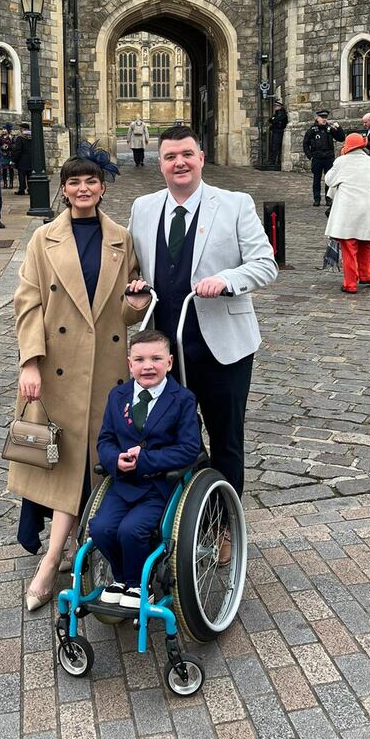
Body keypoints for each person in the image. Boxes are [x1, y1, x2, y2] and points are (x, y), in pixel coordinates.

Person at [8, 154, 151, 611]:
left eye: (91, 181)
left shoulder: (121, 239)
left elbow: (130, 313)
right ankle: (52, 559)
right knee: (60, 464)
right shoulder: (42, 238)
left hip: (107, 370)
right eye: (75, 183)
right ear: (64, 190)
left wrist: (137, 300)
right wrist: (30, 362)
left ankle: (83, 548)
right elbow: (28, 303)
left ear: (102, 188)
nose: (84, 189)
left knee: (96, 464)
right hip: (56, 370)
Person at [127, 126, 278, 518]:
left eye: (187, 154)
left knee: (226, 440)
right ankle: (182, 518)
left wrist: (227, 280)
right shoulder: (143, 208)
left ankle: (226, 524)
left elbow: (265, 264)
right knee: (169, 435)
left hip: (222, 347)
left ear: (201, 158)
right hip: (165, 351)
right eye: (171, 156)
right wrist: (136, 289)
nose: (180, 163)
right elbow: (133, 267)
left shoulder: (235, 203)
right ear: (159, 163)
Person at [89, 329, 201, 608]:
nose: (148, 366)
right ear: (129, 364)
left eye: (156, 358)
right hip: (124, 483)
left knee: (132, 530)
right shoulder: (118, 396)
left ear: (170, 362)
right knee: (101, 528)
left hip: (160, 485)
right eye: (139, 359)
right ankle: (122, 578)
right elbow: (105, 439)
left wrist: (147, 458)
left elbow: (189, 449)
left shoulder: (182, 399)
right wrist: (114, 459)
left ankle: (140, 584)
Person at [324, 133, 370, 294]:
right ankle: (366, 275)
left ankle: (350, 283)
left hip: (348, 208)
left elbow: (329, 179)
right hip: (367, 207)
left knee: (349, 247)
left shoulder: (341, 162)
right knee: (366, 243)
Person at [302, 110, 345, 206]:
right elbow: (305, 144)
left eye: (325, 117)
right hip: (317, 158)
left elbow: (341, 138)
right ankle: (316, 198)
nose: (324, 119)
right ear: (317, 118)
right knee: (316, 179)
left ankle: (328, 198)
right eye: (322, 117)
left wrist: (339, 128)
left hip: (328, 158)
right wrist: (310, 156)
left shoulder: (329, 129)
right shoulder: (312, 130)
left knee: (329, 179)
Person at [12, 124, 33, 195]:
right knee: (30, 175)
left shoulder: (20, 138)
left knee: (21, 175)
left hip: (22, 160)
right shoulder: (32, 136)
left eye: (20, 128)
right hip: (31, 159)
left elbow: (18, 150)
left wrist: (14, 159)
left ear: (22, 129)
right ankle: (30, 189)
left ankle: (22, 189)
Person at [268, 101, 289, 168]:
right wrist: (273, 119)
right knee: (273, 146)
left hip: (279, 131)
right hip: (275, 131)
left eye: (277, 106)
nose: (275, 107)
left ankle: (275, 162)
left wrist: (273, 120)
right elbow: (270, 119)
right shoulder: (277, 114)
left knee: (276, 147)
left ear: (280, 106)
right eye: (275, 106)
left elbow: (274, 120)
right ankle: (273, 161)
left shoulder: (282, 114)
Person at [0, 123, 16, 189]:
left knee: (11, 169)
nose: (3, 130)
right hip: (3, 155)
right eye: (2, 129)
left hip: (10, 155)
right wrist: (1, 147)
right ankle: (5, 183)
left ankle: (11, 183)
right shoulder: (0, 138)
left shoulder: (12, 137)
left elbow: (15, 146)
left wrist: (8, 146)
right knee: (4, 169)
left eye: (4, 129)